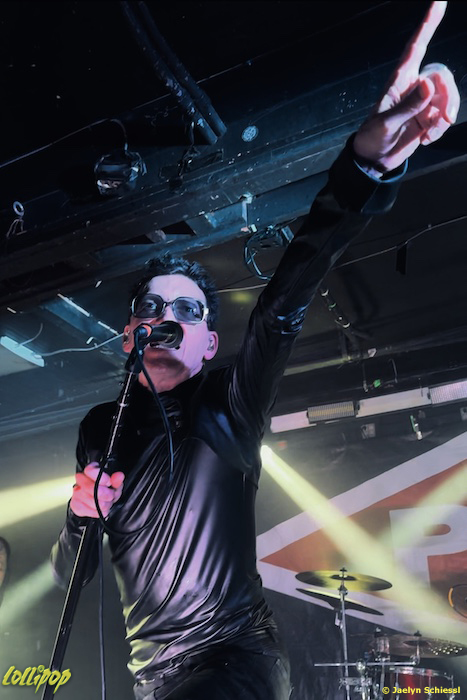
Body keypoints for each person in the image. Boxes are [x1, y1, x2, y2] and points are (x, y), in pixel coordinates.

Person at [51, 3, 459, 699]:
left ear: (210, 342)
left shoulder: (226, 406)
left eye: (187, 310)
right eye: (152, 308)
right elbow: (71, 574)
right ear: (128, 334)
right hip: (154, 677)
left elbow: (279, 309)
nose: (167, 318)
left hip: (234, 660)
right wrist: (78, 516)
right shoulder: (100, 426)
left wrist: (361, 173)